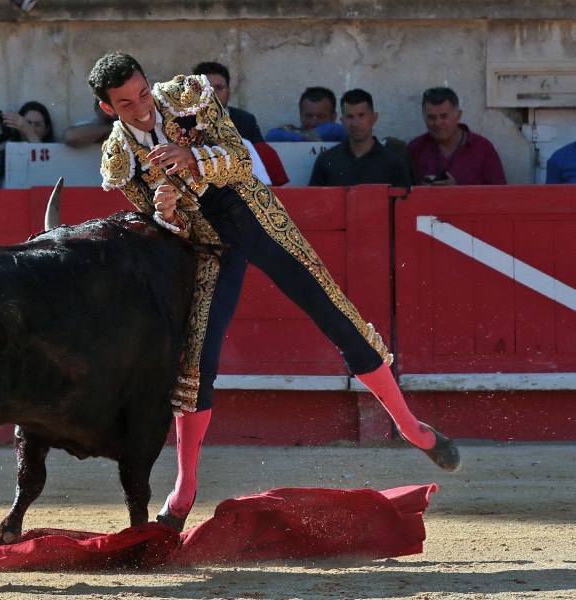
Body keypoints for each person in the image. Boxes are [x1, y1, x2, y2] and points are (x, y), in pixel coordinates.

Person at [88, 52, 461, 532]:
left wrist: (192, 157)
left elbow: (241, 160)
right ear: (107, 109)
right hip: (210, 246)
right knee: (195, 361)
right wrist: (166, 213)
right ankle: (183, 490)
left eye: (143, 93)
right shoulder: (120, 158)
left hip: (256, 218)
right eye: (126, 104)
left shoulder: (187, 95)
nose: (142, 108)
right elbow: (162, 232)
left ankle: (411, 426)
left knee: (334, 312)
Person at [192, 61, 288, 186]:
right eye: (206, 88)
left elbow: (260, 158)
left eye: (219, 88)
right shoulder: (180, 121)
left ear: (228, 91)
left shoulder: (245, 120)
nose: (213, 94)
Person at [308, 89, 411, 188]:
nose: (355, 124)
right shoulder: (326, 161)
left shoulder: (393, 162)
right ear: (343, 121)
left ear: (374, 118)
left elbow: (404, 200)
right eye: (350, 117)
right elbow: (313, 199)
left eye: (361, 116)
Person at [407, 87, 506, 186]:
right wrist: (420, 192)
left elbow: (500, 194)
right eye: (431, 117)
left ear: (458, 115)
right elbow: (402, 192)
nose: (437, 123)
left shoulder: (483, 149)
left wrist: (458, 191)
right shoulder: (415, 149)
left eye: (444, 116)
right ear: (424, 118)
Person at [0, 100, 54, 180]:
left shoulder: (55, 157)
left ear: (46, 129)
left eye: (37, 124)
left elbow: (46, 175)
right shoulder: (5, 157)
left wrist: (29, 131)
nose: (31, 128)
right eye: (28, 123)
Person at [265, 86, 347, 142]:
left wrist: (299, 135)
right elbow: (271, 136)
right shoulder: (296, 134)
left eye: (320, 116)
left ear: (333, 117)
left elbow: (336, 130)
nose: (313, 122)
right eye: (308, 116)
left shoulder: (340, 134)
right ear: (300, 116)